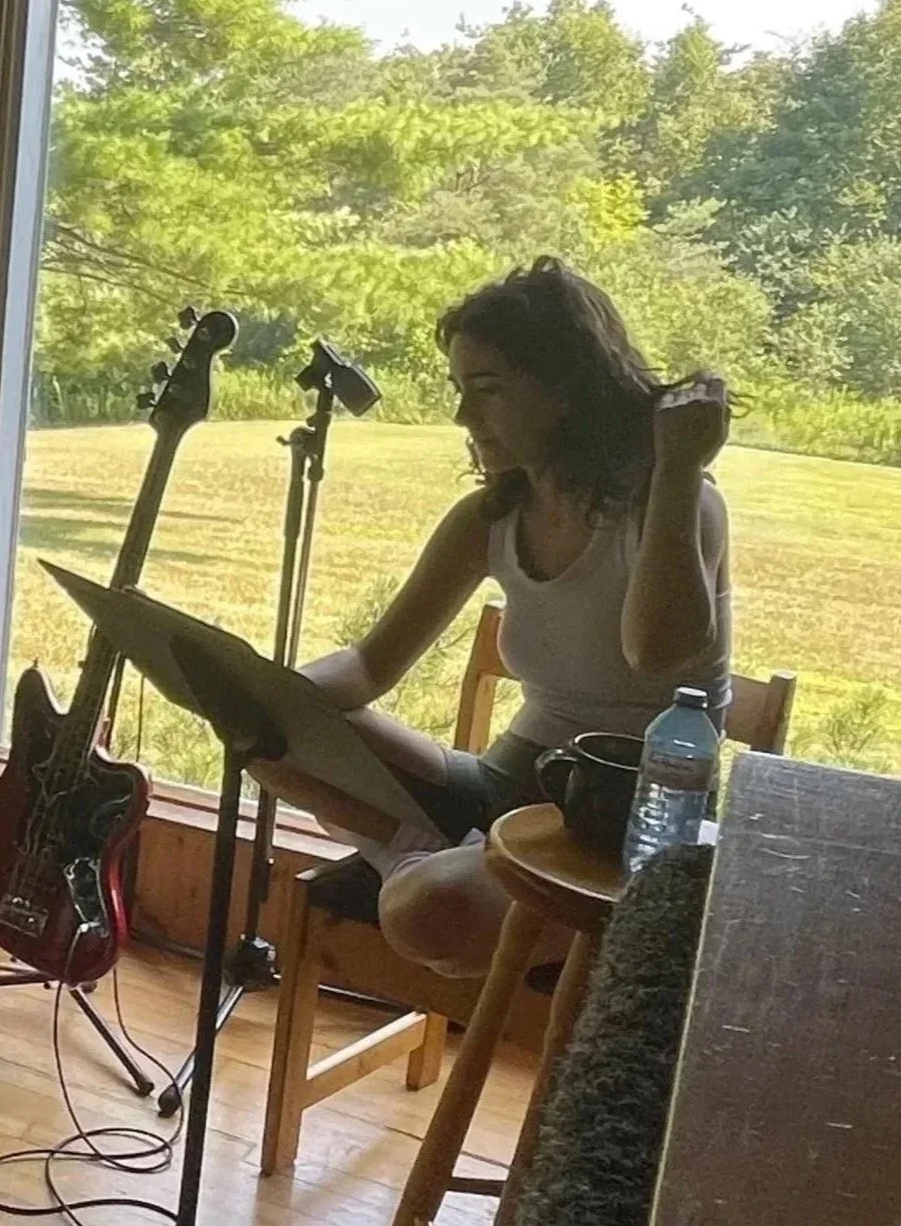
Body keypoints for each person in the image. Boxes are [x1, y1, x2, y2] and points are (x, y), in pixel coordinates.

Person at [260, 256, 731, 977]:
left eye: (487, 391)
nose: (462, 417)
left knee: (424, 914)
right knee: (267, 741)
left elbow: (657, 653)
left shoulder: (676, 504)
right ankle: (419, 853)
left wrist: (678, 468)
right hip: (512, 780)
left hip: (624, 818)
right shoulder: (490, 518)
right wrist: (279, 698)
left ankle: (418, 858)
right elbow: (369, 664)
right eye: (459, 390)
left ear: (568, 390)